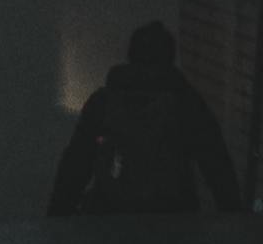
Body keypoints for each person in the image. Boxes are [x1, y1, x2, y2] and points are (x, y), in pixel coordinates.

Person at [49, 18, 244, 218]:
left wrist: (57, 217)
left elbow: (75, 165)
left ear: (131, 55)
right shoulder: (185, 102)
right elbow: (216, 164)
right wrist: (235, 219)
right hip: (172, 223)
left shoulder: (104, 102)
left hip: (111, 222)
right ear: (169, 57)